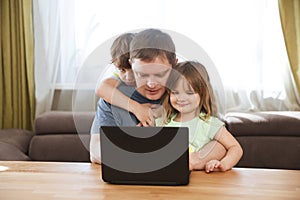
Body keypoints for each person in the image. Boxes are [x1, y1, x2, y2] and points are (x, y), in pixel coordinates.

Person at [89, 29, 226, 165]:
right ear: (131, 64)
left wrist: (192, 160)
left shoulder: (188, 95)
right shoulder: (114, 98)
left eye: (160, 74)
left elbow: (221, 143)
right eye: (142, 74)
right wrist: (133, 148)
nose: (151, 84)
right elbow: (95, 151)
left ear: (174, 65)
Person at [155, 61, 243, 173]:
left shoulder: (209, 123)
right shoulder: (162, 122)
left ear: (203, 93)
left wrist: (223, 164)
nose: (181, 98)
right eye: (175, 92)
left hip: (201, 181)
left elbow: (235, 148)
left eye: (189, 93)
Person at [95, 32, 152, 126]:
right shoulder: (116, 77)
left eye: (133, 70)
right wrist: (137, 108)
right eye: (122, 70)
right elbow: (102, 89)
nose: (128, 77)